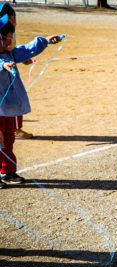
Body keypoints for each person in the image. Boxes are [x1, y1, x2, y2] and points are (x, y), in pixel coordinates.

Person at [0, 15, 62, 189]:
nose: (10, 41)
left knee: (8, 140)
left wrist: (45, 41)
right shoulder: (3, 58)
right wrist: (2, 65)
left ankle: (8, 171)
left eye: (11, 37)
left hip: (6, 108)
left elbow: (26, 50)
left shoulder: (9, 52)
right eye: (6, 38)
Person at [0, 2, 33, 139]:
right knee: (10, 100)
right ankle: (15, 129)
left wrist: (23, 58)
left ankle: (15, 128)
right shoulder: (2, 32)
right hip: (3, 70)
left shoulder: (9, 31)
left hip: (9, 66)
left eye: (14, 17)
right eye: (11, 18)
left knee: (16, 97)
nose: (14, 21)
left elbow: (13, 49)